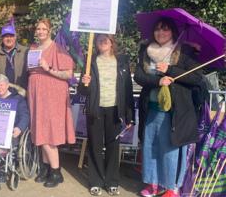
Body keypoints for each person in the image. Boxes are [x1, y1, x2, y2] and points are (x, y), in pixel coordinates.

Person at [134, 17, 201, 197]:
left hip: (175, 112)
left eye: (165, 29)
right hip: (151, 109)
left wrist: (170, 70)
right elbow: (138, 77)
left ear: (173, 32)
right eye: (157, 29)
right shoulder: (146, 51)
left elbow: (197, 77)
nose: (160, 32)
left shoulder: (185, 52)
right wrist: (158, 80)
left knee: (171, 150)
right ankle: (153, 183)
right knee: (150, 147)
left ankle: (171, 187)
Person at [78, 34, 135, 196]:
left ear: (112, 43)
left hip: (115, 109)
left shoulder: (122, 61)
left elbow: (128, 91)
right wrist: (84, 82)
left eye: (105, 40)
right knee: (95, 146)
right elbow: (82, 91)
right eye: (99, 40)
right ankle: (95, 182)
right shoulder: (90, 61)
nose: (102, 42)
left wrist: (130, 116)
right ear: (95, 43)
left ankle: (112, 182)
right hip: (95, 109)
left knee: (112, 146)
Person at [27, 18, 75, 188]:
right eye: (38, 29)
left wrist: (49, 69)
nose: (40, 32)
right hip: (36, 93)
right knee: (41, 130)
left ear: (49, 31)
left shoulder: (58, 48)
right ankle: (47, 168)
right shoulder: (33, 48)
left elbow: (69, 74)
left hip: (52, 93)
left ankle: (56, 171)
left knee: (49, 133)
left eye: (43, 29)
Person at [0, 74, 30, 182]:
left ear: (7, 85)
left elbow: (24, 115)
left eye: (1, 85)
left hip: (9, 129)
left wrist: (20, 127)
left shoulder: (17, 98)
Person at [0, 25, 29, 90]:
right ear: (1, 38)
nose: (9, 39)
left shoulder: (25, 51)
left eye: (11, 36)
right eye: (6, 36)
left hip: (20, 91)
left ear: (15, 37)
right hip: (1, 92)